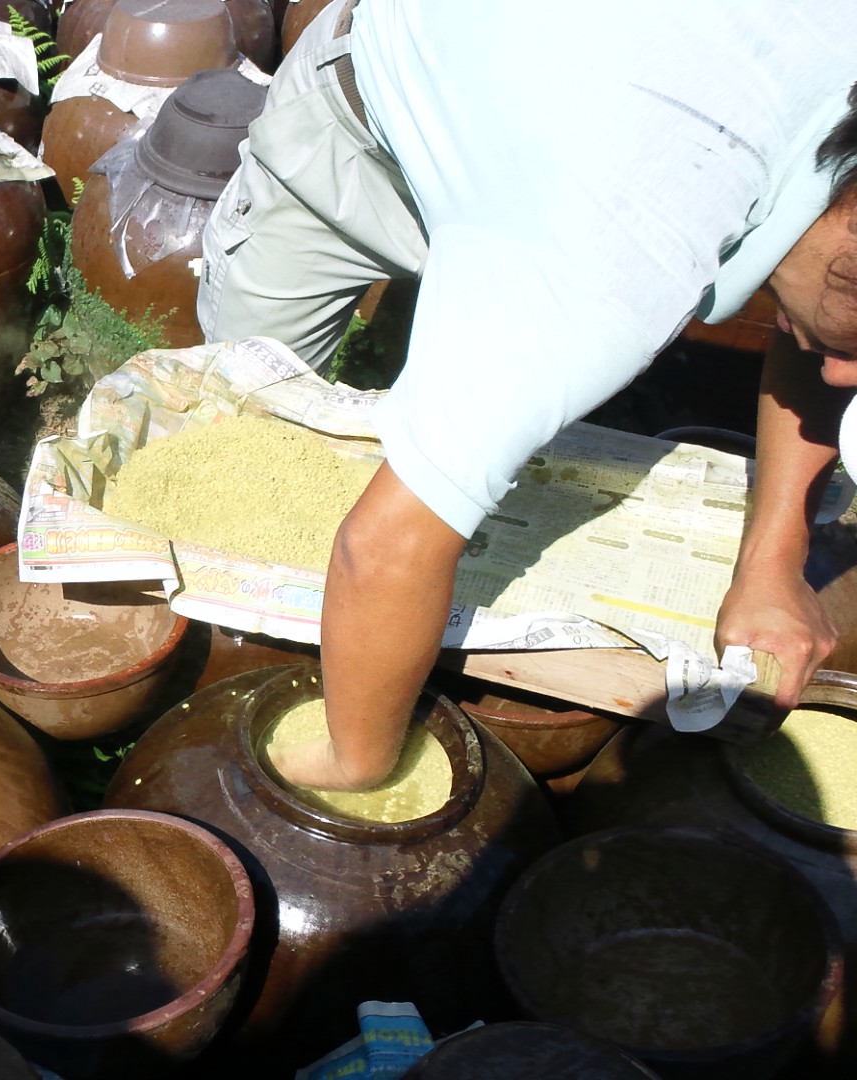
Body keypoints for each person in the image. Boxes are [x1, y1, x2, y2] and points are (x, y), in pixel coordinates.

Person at [195, 0, 857, 791]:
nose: (845, 380)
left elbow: (819, 300)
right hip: (361, 128)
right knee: (232, 432)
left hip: (554, 142)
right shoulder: (612, 263)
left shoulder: (832, 206)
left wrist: (774, 562)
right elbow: (382, 550)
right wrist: (356, 769)